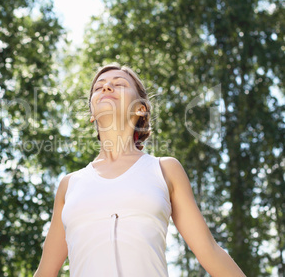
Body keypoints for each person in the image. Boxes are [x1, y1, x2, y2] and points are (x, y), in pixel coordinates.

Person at [34, 63, 246, 277]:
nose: (106, 88)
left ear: (140, 108)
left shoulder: (164, 169)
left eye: (119, 84)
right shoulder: (69, 185)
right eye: (99, 87)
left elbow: (210, 252)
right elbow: (45, 273)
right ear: (92, 113)